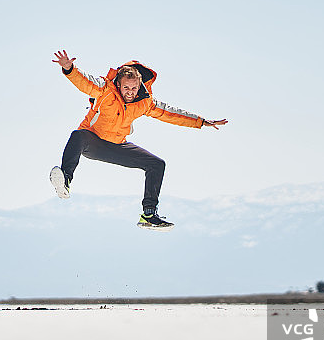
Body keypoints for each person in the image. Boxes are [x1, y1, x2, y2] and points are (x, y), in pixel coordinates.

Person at [50, 50, 228, 231]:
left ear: (139, 86)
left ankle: (149, 215)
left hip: (117, 145)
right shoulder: (105, 90)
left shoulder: (144, 102)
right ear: (118, 84)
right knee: (78, 135)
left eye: (134, 88)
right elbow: (85, 83)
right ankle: (65, 179)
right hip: (93, 142)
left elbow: (170, 113)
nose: (130, 92)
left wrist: (201, 121)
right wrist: (70, 69)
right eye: (126, 88)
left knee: (157, 164)